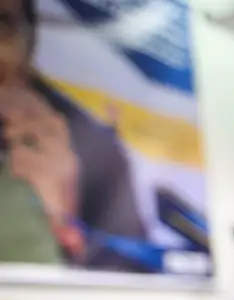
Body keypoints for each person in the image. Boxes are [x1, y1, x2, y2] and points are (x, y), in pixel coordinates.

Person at [0, 0, 147, 268]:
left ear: (29, 41)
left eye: (2, 24)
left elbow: (131, 275)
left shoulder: (88, 148)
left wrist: (65, 221)